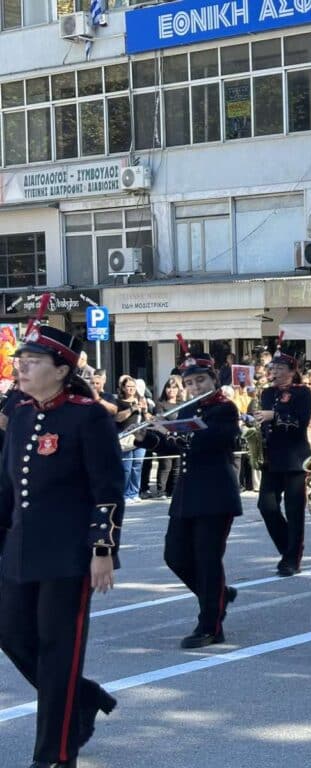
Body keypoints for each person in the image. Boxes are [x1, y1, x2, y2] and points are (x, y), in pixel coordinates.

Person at [0, 324, 123, 767]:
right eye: (20, 361)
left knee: (58, 652)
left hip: (69, 555)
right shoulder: (20, 414)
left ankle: (55, 752)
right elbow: (7, 490)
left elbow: (107, 489)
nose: (21, 369)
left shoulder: (87, 417)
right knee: (11, 633)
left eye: (32, 362)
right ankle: (83, 697)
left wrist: (102, 549)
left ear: (61, 370)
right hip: (19, 550)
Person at [153, 354, 242, 648]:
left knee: (207, 560)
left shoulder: (225, 408)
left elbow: (214, 440)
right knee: (175, 556)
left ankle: (211, 626)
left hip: (215, 493)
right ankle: (219, 595)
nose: (195, 387)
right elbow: (176, 446)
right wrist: (150, 436)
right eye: (189, 382)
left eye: (200, 380)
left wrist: (174, 430)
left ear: (213, 380)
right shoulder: (188, 408)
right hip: (187, 492)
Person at [255, 348, 311, 576]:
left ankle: (292, 558)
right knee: (266, 506)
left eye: (280, 368)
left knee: (294, 510)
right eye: (274, 367)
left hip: (295, 458)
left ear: (292, 371)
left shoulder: (303, 392)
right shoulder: (267, 393)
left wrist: (275, 416)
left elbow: (301, 421)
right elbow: (265, 423)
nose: (275, 371)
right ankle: (289, 548)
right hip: (272, 457)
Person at [115, 374, 148, 503]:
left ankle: (134, 493)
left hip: (140, 436)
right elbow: (118, 418)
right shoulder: (119, 401)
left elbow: (148, 418)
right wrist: (132, 408)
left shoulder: (141, 400)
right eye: (128, 386)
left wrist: (144, 410)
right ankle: (125, 494)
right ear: (123, 388)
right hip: (125, 437)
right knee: (126, 467)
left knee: (137, 465)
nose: (131, 389)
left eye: (133, 386)